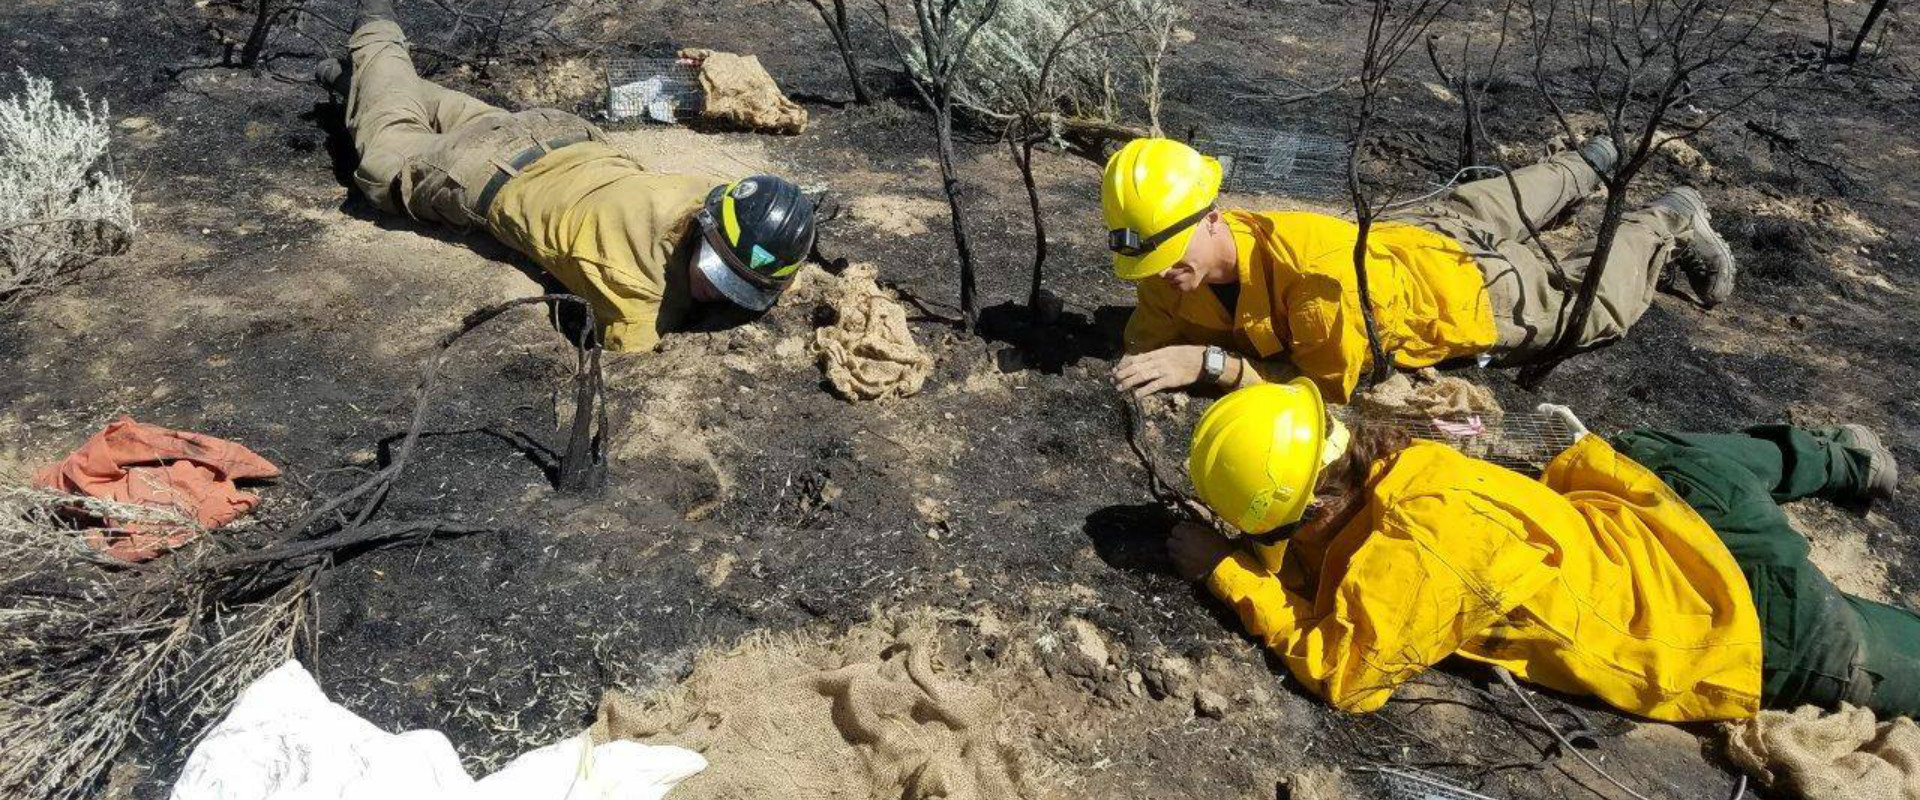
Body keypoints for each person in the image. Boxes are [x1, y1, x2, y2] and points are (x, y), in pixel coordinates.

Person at [1170, 380, 1908, 721]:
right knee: (1683, 465)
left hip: (1746, 628)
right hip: (1661, 516)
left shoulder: (1422, 544)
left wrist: (1228, 571)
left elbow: (1349, 677)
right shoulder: (1402, 464)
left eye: (1277, 528)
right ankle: (1837, 460)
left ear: (1323, 503)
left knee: (1875, 658)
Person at [315, 0, 817, 351]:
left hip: (558, 134)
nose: (720, 291)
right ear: (705, 226)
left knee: (413, 99)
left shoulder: (715, 198)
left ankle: (359, 80)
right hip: (483, 170)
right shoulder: (640, 295)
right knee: (383, 159)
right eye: (717, 273)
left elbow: (767, 252)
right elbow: (629, 353)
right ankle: (376, 25)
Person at [1104, 137, 1736, 403]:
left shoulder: (1316, 284)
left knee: (1589, 303)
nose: (1157, 276)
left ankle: (1668, 218)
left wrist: (1212, 365)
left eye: (1165, 258)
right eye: (1144, 263)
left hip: (1462, 293)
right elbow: (1148, 340)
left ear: (1213, 216)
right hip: (1406, 241)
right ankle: (1588, 161)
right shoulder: (1168, 272)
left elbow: (1321, 393)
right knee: (1490, 204)